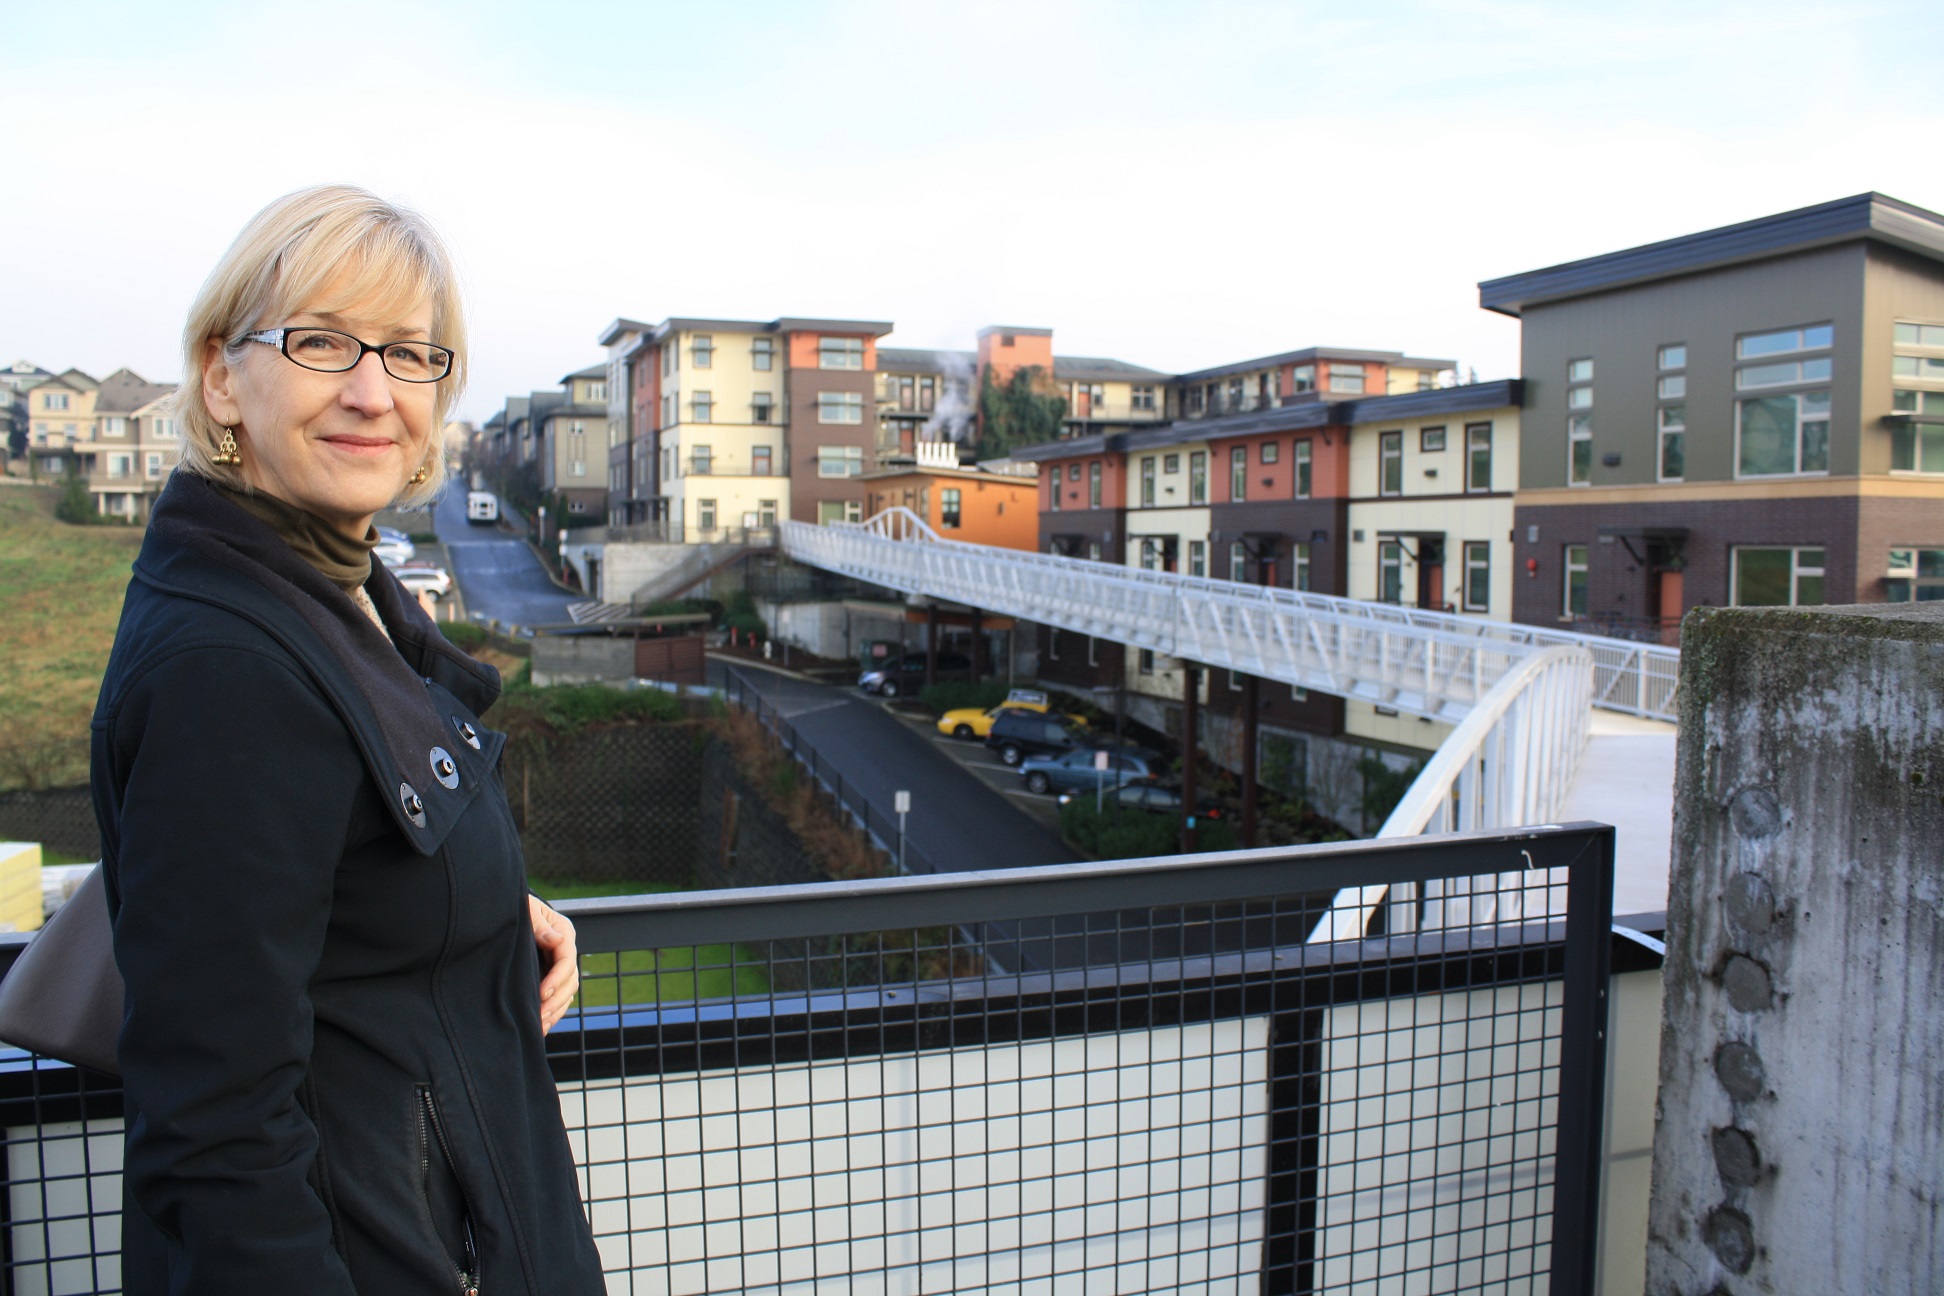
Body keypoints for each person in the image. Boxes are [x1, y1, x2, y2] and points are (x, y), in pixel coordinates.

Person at [90, 185, 607, 1294]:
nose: (374, 393)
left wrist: (471, 916)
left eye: (413, 355)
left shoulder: (335, 592)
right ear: (223, 376)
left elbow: (321, 873)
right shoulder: (229, 668)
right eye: (324, 343)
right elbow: (218, 1132)